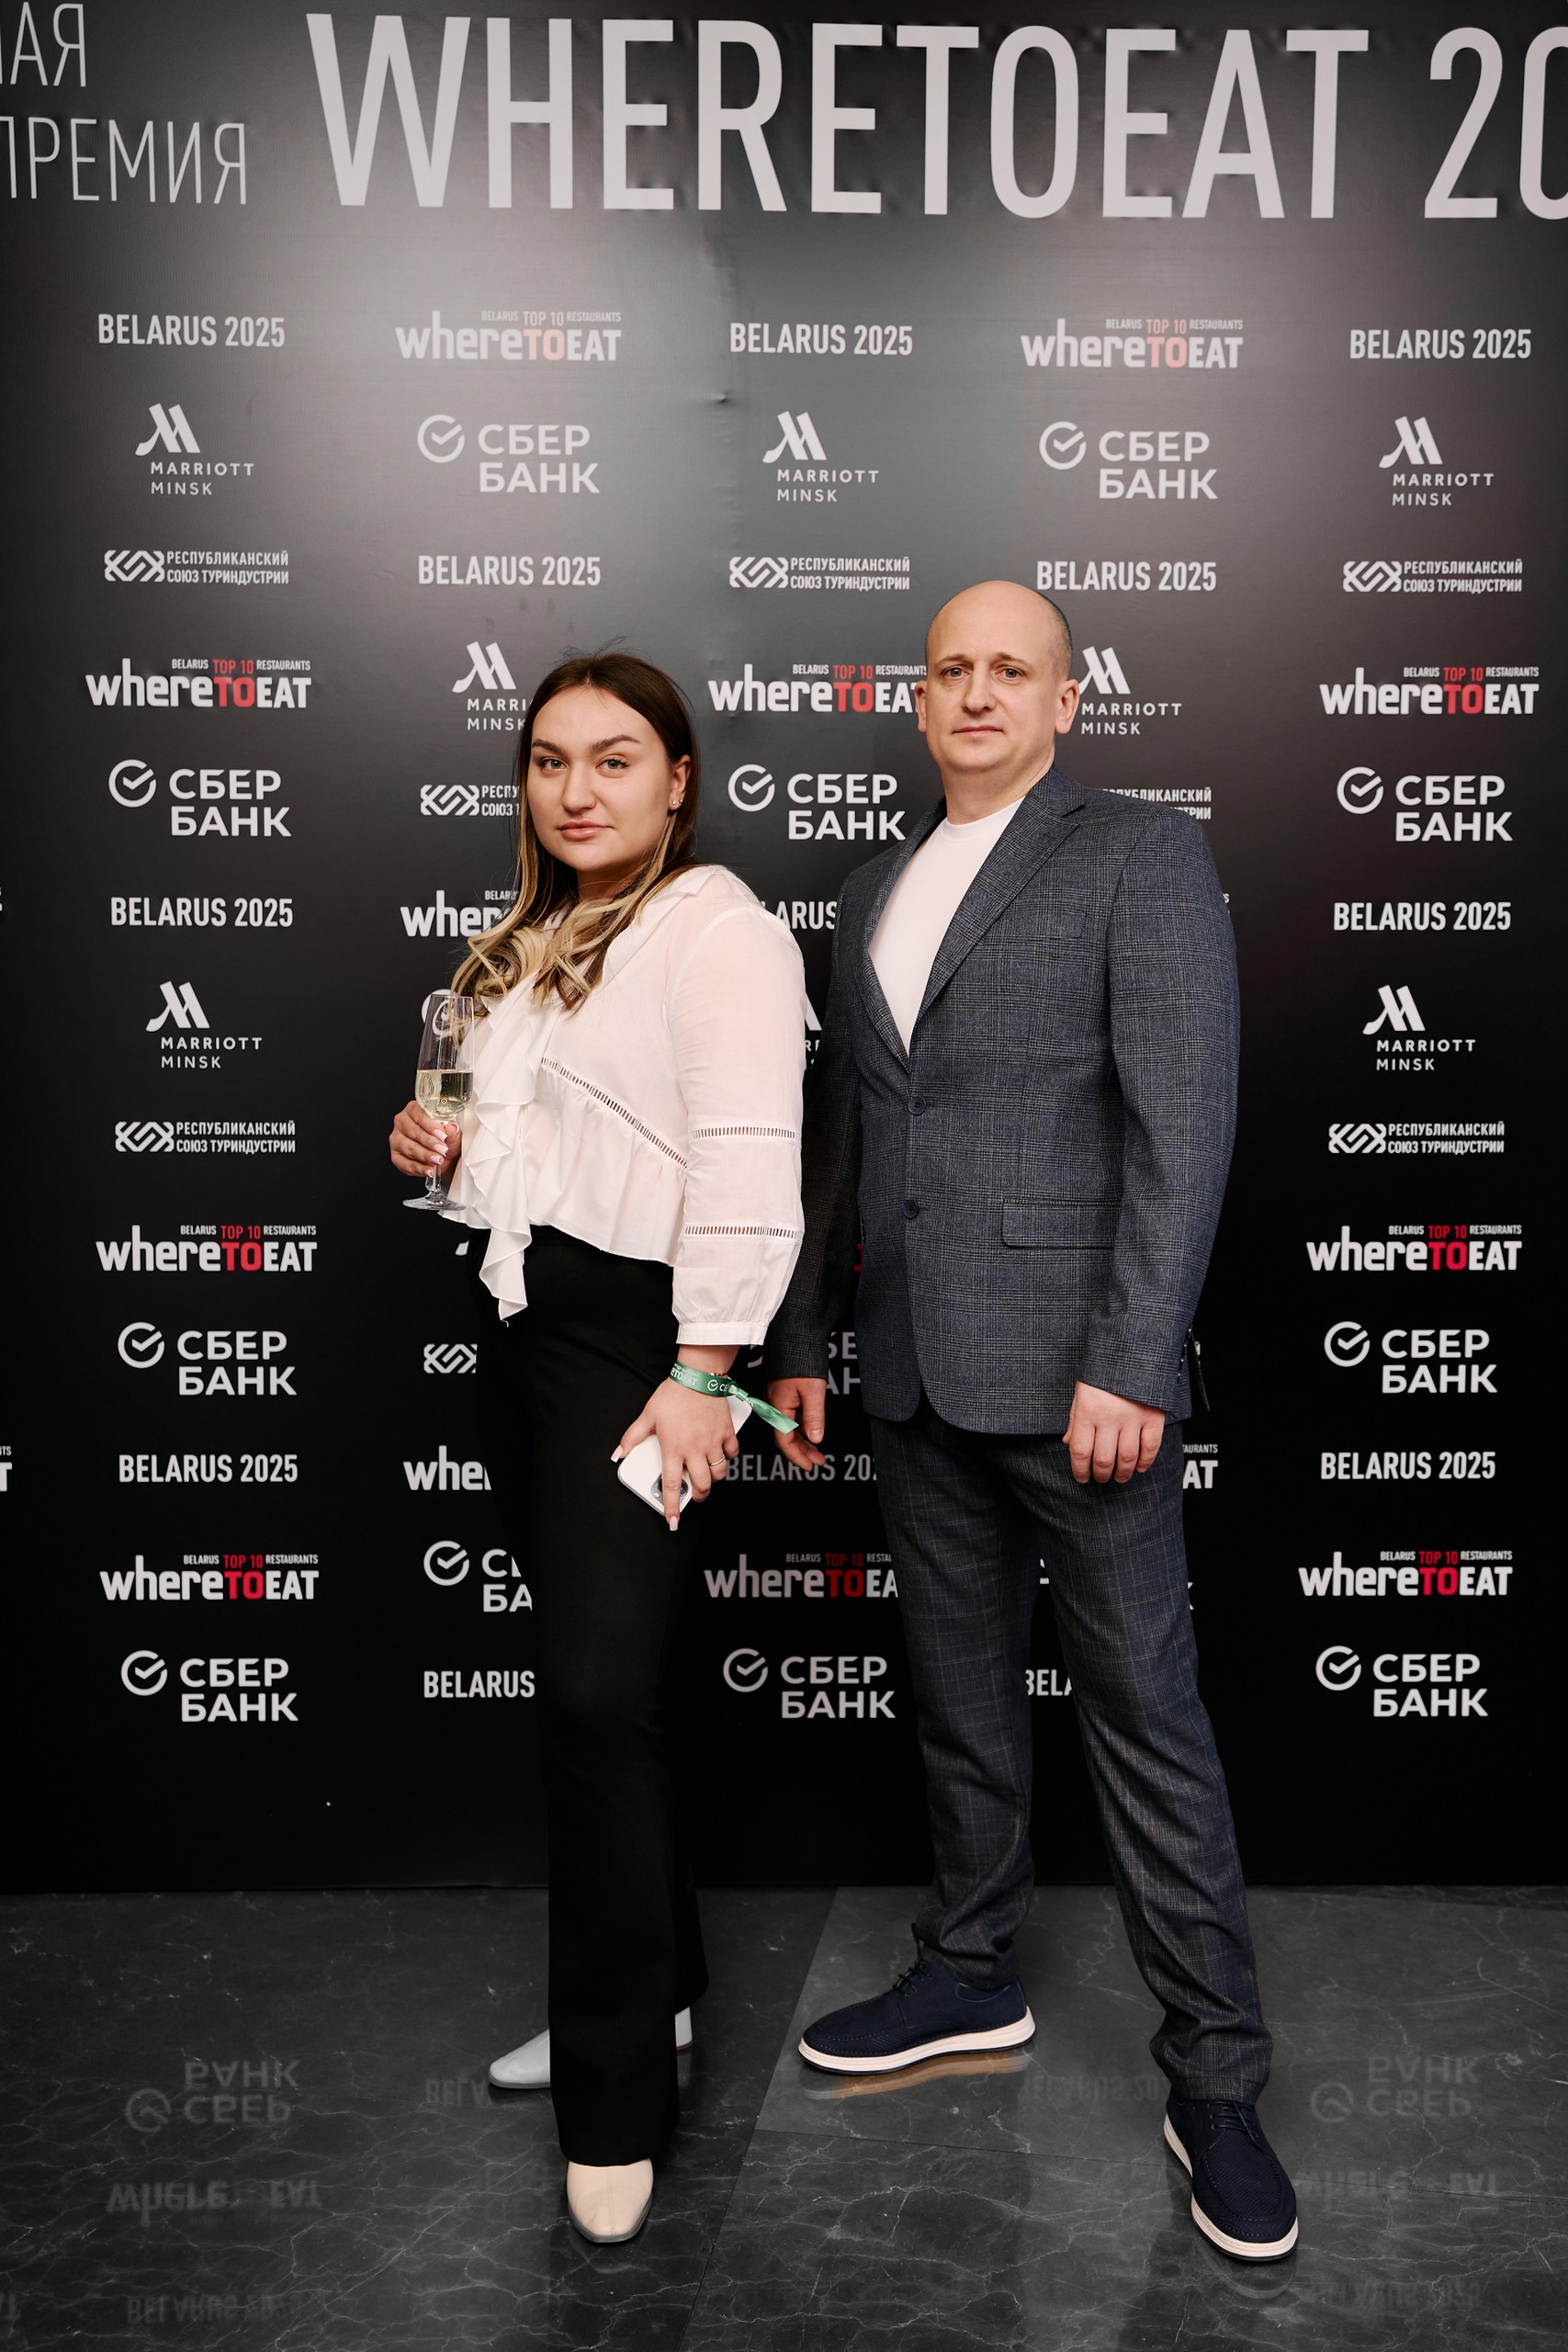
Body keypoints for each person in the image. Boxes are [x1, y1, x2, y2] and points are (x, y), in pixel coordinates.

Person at [762, 581, 1297, 2263]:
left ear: (1069, 700)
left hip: (1082, 1384)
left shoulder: (1140, 853)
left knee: (1146, 1720)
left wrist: (1135, 1358)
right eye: (953, 670)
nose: (980, 693)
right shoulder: (871, 889)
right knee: (959, 1696)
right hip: (912, 1369)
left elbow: (1183, 1119)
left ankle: (1216, 2078)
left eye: (1015, 670)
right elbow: (849, 1132)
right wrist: (807, 1336)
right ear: (919, 702)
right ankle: (971, 1970)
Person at [389, 652, 808, 2245]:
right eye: (551, 760)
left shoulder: (719, 932)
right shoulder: (525, 944)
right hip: (528, 1337)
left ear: (678, 779)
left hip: (641, 1352)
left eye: (615, 758)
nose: (577, 789)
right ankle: (662, 1991)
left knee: (596, 1700)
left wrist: (708, 1369)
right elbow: (532, 1160)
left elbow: (751, 1163)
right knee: (614, 1698)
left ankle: (617, 2098)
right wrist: (441, 1154)